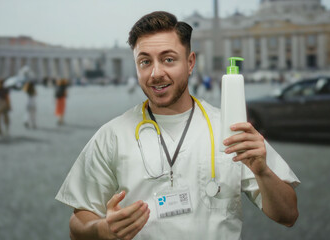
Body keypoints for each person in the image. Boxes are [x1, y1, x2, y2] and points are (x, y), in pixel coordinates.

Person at [56, 11, 300, 240]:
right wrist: (101, 229)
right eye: (145, 62)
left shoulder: (230, 128)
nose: (156, 73)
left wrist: (263, 171)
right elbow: (77, 225)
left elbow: (288, 215)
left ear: (190, 62)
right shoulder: (112, 135)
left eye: (168, 59)